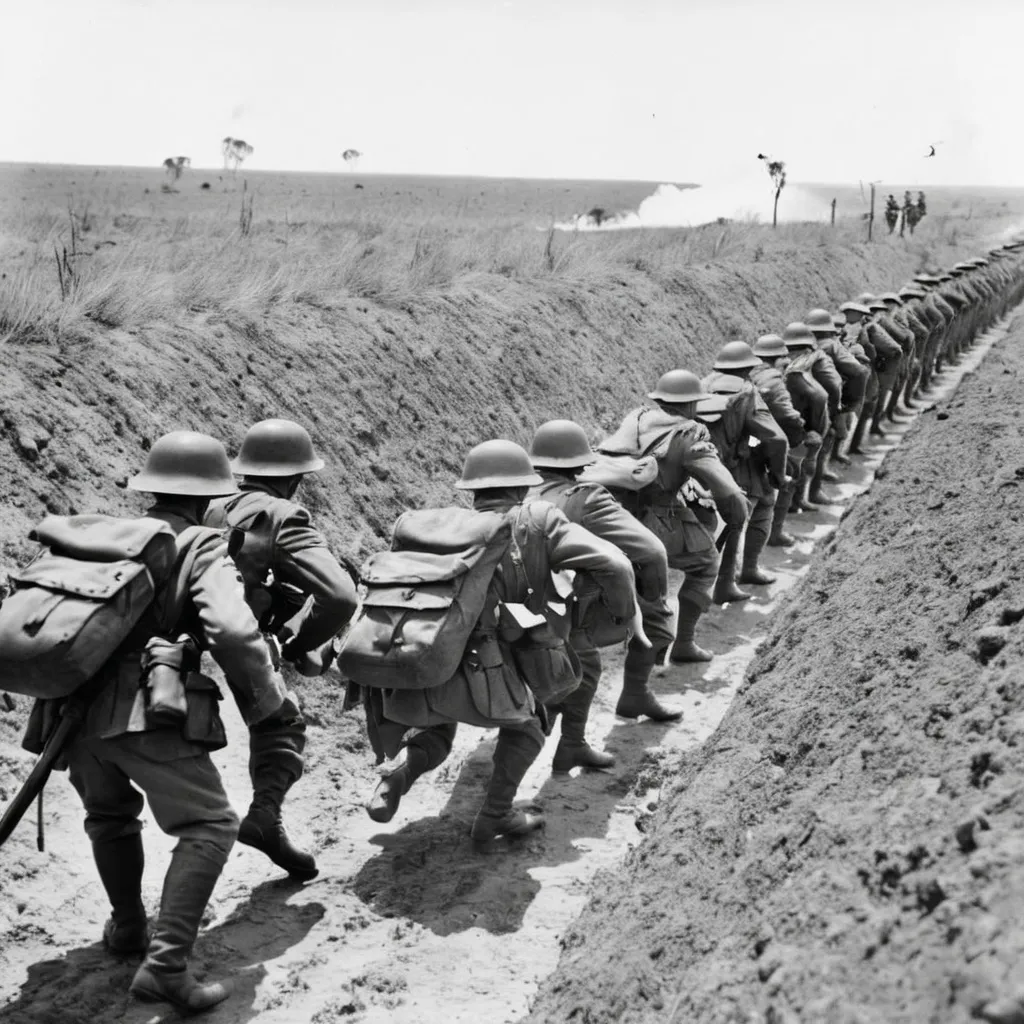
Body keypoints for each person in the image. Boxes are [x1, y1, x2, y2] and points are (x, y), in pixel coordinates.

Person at [41, 431, 292, 1012]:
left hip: (68, 713)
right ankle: (166, 965)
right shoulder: (200, 543)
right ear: (208, 498)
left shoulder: (107, 535)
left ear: (149, 488)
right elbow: (233, 631)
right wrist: (267, 698)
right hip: (144, 707)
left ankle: (129, 926)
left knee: (109, 816)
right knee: (209, 823)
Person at [363, 440, 636, 841]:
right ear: (524, 487)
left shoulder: (440, 526)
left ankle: (398, 772)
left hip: (426, 651)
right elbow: (614, 563)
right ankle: (496, 814)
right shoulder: (538, 519)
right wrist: (621, 616)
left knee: (436, 731)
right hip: (488, 663)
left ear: (472, 490)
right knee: (529, 727)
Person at [205, 419, 359, 881]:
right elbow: (340, 596)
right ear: (295, 478)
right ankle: (264, 816)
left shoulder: (207, 503)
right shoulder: (281, 515)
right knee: (282, 722)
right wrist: (297, 645)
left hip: (182, 634)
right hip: (235, 638)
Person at [528, 419, 675, 749]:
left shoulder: (516, 494)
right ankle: (576, 738)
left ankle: (563, 740)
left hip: (512, 609)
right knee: (650, 628)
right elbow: (652, 552)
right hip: (561, 610)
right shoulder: (587, 499)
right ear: (582, 463)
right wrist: (651, 603)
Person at [601, 370, 748, 652]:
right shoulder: (691, 435)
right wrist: (737, 514)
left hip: (609, 512)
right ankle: (683, 644)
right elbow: (727, 491)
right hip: (654, 517)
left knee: (642, 579)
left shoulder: (638, 418)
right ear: (693, 404)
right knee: (706, 563)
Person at [700, 342, 789, 596]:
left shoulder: (704, 384)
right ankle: (733, 579)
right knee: (754, 510)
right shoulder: (747, 392)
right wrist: (778, 474)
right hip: (737, 468)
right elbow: (777, 439)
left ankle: (716, 582)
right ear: (748, 367)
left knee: (716, 525)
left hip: (702, 465)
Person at [749, 333, 814, 547]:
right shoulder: (774, 380)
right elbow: (786, 415)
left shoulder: (748, 373)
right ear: (776, 358)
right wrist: (801, 428)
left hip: (748, 440)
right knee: (788, 477)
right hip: (765, 441)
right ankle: (774, 533)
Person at [780, 322, 843, 505]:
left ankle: (795, 502)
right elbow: (821, 395)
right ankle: (795, 503)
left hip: (783, 424)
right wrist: (817, 426)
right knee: (799, 464)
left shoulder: (784, 366)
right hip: (797, 424)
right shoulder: (801, 367)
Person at [805, 308, 869, 466]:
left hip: (805, 399)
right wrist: (848, 402)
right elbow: (859, 371)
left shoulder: (808, 347)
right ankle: (816, 479)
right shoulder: (832, 346)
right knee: (826, 437)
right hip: (826, 401)